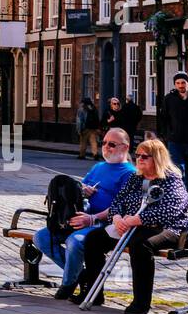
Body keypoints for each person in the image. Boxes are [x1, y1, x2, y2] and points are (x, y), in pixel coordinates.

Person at [77, 138, 188, 314]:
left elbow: (170, 211)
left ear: (157, 158)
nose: (139, 159)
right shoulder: (135, 178)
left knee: (140, 245)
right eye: (137, 155)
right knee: (94, 239)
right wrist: (117, 218)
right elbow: (118, 202)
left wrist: (135, 220)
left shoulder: (171, 179)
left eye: (145, 156)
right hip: (134, 225)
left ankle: (141, 303)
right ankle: (95, 293)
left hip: (167, 228)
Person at [34, 128, 136, 299]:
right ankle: (81, 276)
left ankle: (67, 285)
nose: (106, 147)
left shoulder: (129, 173)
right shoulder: (98, 167)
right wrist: (83, 190)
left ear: (125, 147)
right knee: (41, 238)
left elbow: (121, 207)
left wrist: (91, 219)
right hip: (82, 217)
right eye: (103, 143)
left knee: (74, 241)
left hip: (103, 224)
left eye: (112, 144)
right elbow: (77, 190)